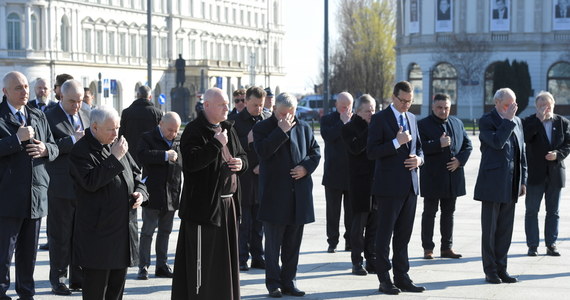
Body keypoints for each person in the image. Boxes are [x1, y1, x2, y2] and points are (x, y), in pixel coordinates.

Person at [172, 87, 247, 300]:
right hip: (204, 210)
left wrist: (241, 163)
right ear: (207, 106)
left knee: (225, 263)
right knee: (202, 265)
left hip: (228, 206)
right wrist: (215, 144)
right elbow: (192, 163)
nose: (227, 108)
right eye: (222, 104)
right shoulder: (194, 131)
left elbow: (242, 155)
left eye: (227, 104)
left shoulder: (227, 128)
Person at [69, 106, 147, 299]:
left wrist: (141, 193)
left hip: (123, 235)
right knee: (96, 292)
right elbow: (90, 182)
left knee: (116, 292)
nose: (116, 133)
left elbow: (138, 176)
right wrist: (114, 157)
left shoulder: (118, 144)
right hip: (98, 238)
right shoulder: (81, 151)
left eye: (118, 128)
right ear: (94, 128)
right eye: (111, 129)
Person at [254, 92, 321, 298]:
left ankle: (289, 282)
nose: (287, 118)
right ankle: (273, 284)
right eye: (283, 114)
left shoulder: (303, 127)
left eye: (290, 114)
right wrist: (281, 131)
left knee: (293, 244)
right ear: (275, 109)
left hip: (298, 195)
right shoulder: (262, 128)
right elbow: (263, 152)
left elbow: (315, 152)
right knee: (273, 246)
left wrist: (306, 168)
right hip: (275, 195)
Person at [0, 71, 59, 300]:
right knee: (4, 253)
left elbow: (54, 147)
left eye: (26, 86)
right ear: (5, 91)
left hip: (35, 196)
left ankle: (26, 293)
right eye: (18, 88)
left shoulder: (37, 115)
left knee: (29, 254)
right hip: (8, 197)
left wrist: (46, 149)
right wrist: (16, 140)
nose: (24, 91)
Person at [367, 81, 425, 295]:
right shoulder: (380, 119)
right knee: (384, 236)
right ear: (393, 97)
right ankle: (384, 279)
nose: (406, 105)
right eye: (403, 101)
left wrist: (419, 160)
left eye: (410, 102)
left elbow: (419, 147)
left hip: (410, 186)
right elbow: (371, 152)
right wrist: (395, 142)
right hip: (388, 188)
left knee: (404, 236)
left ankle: (403, 276)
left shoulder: (412, 118)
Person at [474, 88, 526, 284]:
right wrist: (507, 121)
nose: (511, 109)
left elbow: (522, 153)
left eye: (514, 105)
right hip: (492, 183)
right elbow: (497, 142)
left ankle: (502, 268)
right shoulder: (487, 120)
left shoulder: (517, 121)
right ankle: (490, 270)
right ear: (496, 103)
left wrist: (523, 180)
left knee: (505, 231)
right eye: (507, 105)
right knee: (490, 231)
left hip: (512, 183)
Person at [44, 80, 90, 295]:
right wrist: (73, 140)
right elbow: (48, 148)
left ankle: (78, 278)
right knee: (60, 236)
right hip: (61, 186)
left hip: (85, 185)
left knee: (81, 235)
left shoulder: (86, 114)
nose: (77, 106)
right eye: (72, 101)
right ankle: (59, 279)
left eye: (80, 101)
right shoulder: (48, 117)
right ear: (61, 97)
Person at [418, 94, 472, 260]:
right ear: (433, 107)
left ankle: (446, 247)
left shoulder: (457, 122)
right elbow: (418, 148)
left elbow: (467, 145)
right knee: (430, 213)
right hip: (433, 177)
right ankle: (428, 248)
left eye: (446, 107)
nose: (443, 111)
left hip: (452, 177)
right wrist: (437, 144)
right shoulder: (423, 124)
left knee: (449, 213)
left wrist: (459, 161)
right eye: (440, 107)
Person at [522, 91, 570, 257]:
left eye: (548, 105)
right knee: (531, 211)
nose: (545, 108)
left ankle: (551, 244)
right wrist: (539, 121)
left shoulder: (562, 122)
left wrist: (558, 155)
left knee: (553, 212)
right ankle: (532, 245)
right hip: (536, 174)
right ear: (536, 106)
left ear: (553, 105)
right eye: (542, 105)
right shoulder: (528, 121)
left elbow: (568, 145)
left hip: (555, 173)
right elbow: (526, 138)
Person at [228, 86, 271, 271]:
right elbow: (230, 150)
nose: (259, 109)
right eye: (255, 105)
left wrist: (265, 164)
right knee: (244, 221)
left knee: (259, 221)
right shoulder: (235, 122)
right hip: (244, 178)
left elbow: (272, 146)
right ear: (246, 102)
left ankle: (258, 256)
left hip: (262, 177)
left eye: (261, 105)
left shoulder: (267, 120)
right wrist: (248, 140)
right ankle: (241, 257)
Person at [136, 112, 183, 280]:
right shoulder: (148, 137)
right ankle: (143, 267)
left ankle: (162, 265)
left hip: (172, 192)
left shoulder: (178, 140)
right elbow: (142, 155)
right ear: (161, 124)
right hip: (153, 192)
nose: (173, 134)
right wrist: (164, 155)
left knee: (166, 231)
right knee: (148, 231)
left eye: (176, 130)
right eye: (170, 130)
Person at [341, 94, 377, 276]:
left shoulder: (376, 127)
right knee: (358, 225)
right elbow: (355, 148)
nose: (372, 114)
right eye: (367, 111)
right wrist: (370, 130)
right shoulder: (349, 128)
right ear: (357, 111)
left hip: (377, 183)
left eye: (373, 110)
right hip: (359, 184)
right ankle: (357, 261)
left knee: (374, 225)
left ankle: (372, 259)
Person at [320, 92, 353, 253]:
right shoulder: (328, 120)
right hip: (333, 173)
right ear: (337, 105)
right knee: (333, 211)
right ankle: (332, 241)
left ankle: (350, 240)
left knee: (351, 211)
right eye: (343, 107)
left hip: (352, 174)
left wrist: (349, 123)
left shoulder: (356, 120)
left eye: (349, 106)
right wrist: (342, 123)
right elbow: (328, 136)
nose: (346, 110)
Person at [120, 85, 163, 166]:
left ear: (137, 95)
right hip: (151, 152)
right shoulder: (158, 113)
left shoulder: (127, 112)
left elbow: (121, 134)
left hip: (130, 152)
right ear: (150, 97)